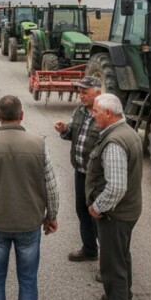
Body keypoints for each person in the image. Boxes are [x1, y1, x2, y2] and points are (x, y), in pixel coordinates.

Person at [0, 95, 59, 300]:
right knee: (28, 281)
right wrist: (51, 216)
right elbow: (51, 187)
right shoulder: (39, 144)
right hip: (29, 223)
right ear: (22, 115)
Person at [85, 94, 143, 300]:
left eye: (96, 111)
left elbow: (117, 187)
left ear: (108, 113)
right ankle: (124, 298)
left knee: (112, 266)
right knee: (122, 256)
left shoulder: (114, 142)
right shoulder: (128, 132)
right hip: (128, 210)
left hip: (115, 215)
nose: (93, 115)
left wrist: (97, 207)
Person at [52, 75, 102, 262]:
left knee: (99, 214)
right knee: (82, 211)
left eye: (85, 92)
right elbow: (71, 133)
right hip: (80, 171)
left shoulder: (105, 113)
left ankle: (107, 260)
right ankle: (89, 249)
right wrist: (64, 129)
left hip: (98, 176)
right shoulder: (80, 110)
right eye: (79, 92)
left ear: (98, 92)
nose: (81, 95)